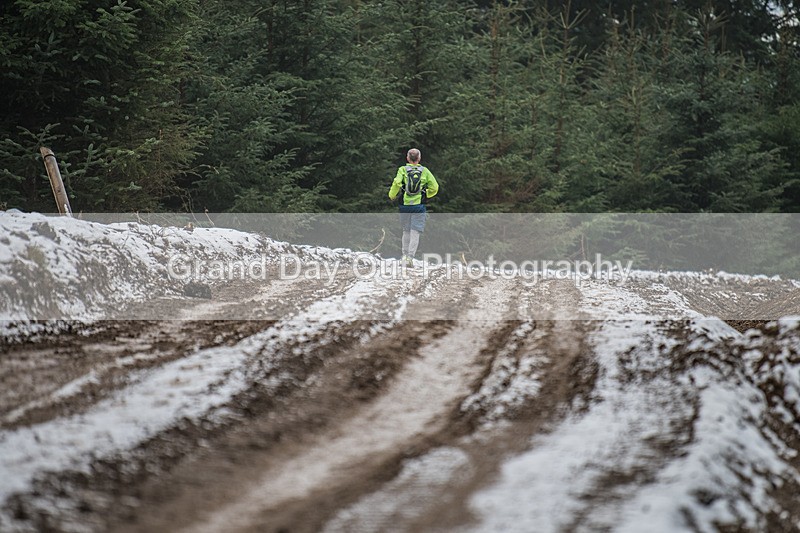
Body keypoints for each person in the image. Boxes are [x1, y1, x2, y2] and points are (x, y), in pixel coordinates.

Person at [388, 148, 439, 267]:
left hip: (405, 206)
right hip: (418, 206)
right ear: (419, 159)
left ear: (407, 158)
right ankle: (410, 257)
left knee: (406, 230)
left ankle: (404, 255)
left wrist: (392, 195)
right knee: (415, 231)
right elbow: (435, 187)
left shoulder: (402, 170)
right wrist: (426, 193)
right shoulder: (424, 171)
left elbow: (397, 183)